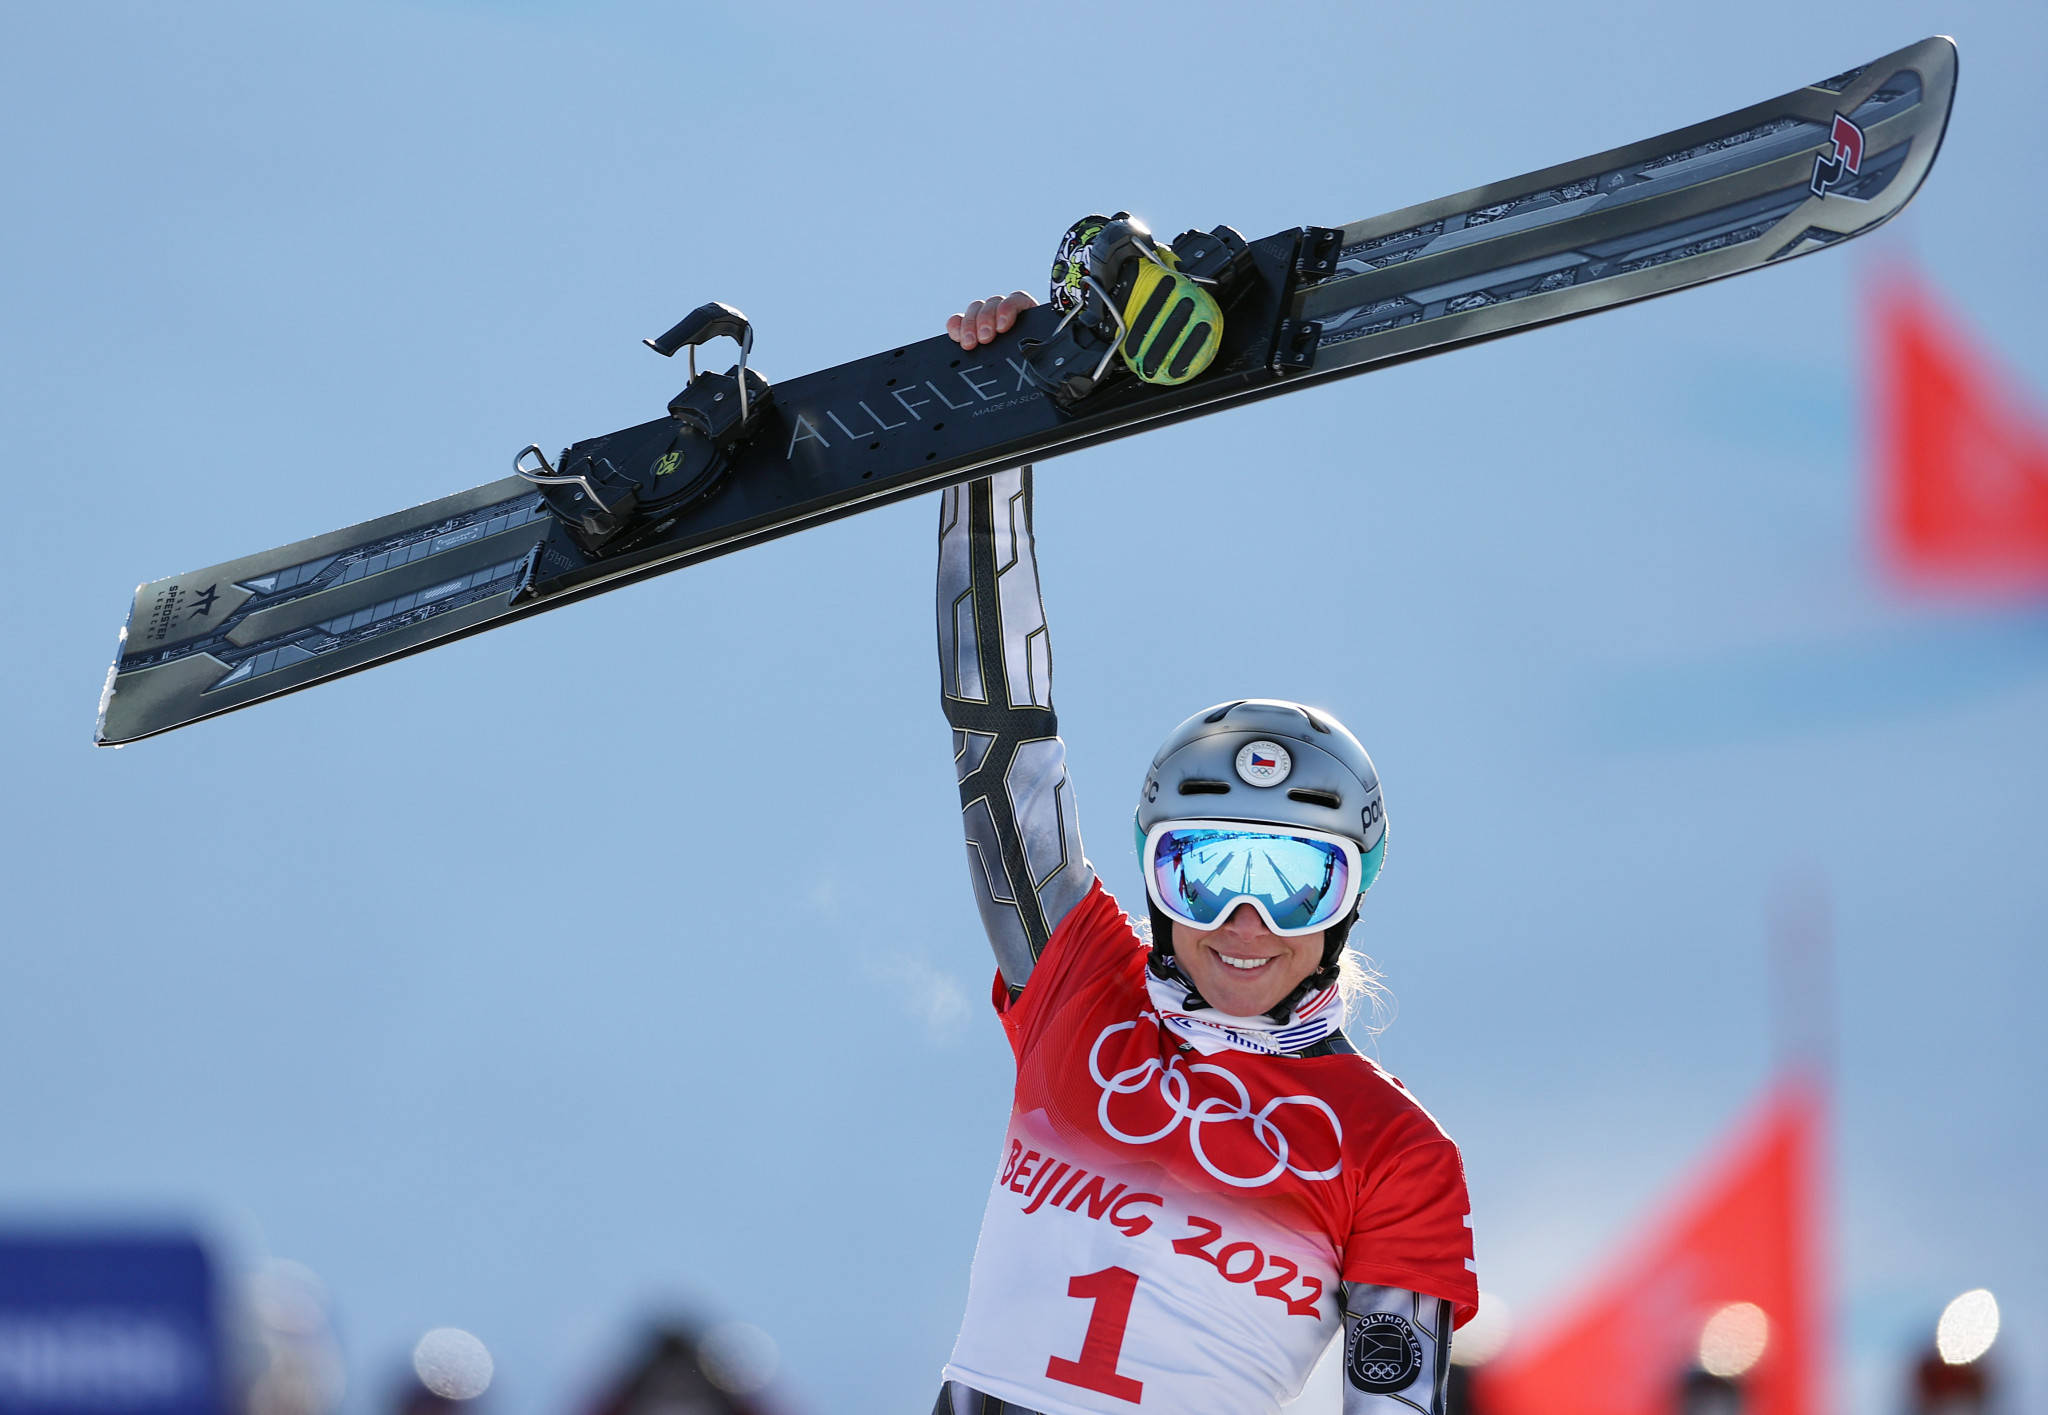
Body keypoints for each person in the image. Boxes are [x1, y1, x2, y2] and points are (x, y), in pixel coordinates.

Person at [928, 287, 1478, 1415]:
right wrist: (985, 449)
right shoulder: (1081, 984)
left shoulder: (1396, 1150)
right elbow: (998, 739)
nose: (1244, 922)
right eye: (1209, 870)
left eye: (1291, 883)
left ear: (1347, 905)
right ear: (1153, 879)